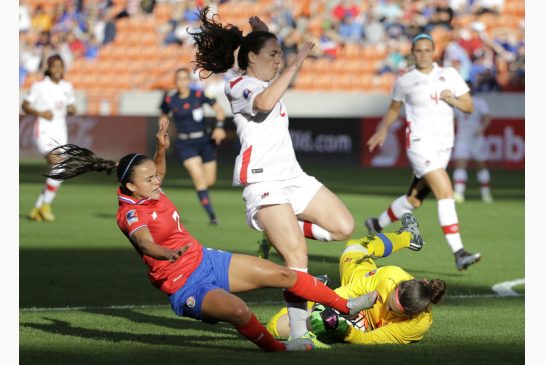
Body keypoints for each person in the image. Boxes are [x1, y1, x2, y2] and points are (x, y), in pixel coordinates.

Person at [43, 120, 380, 352]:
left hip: (207, 260)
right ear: (131, 186)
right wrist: (164, 253)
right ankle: (280, 348)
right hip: (184, 284)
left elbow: (158, 171)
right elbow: (145, 241)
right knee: (238, 312)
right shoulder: (130, 212)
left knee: (285, 274)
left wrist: (161, 148)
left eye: (154, 177)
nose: (157, 181)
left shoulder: (149, 190)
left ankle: (346, 306)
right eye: (148, 180)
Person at [188, 7, 359, 342]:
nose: (279, 60)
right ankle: (298, 336)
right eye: (272, 54)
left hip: (293, 177)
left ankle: (281, 228)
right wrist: (296, 61)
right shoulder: (238, 85)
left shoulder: (263, 77)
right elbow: (264, 102)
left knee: (343, 227)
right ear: (251, 57)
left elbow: (269, 81)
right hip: (264, 181)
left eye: (280, 55)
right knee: (297, 257)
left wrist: (269, 40)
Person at [365, 33, 481, 272]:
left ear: (434, 52)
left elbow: (469, 106)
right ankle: (459, 252)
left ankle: (377, 223)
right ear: (412, 53)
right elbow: (393, 108)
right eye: (418, 51)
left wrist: (452, 100)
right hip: (419, 145)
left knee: (414, 200)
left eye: (427, 50)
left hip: (444, 147)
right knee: (446, 192)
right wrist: (383, 130)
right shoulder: (405, 81)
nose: (423, 54)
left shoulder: (449, 75)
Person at [266, 213, 447, 345]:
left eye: (392, 309)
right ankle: (408, 236)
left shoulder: (417, 325)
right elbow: (349, 291)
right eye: (387, 299)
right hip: (355, 295)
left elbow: (371, 339)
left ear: (409, 315)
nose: (386, 306)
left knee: (274, 327)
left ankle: (314, 292)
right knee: (354, 248)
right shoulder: (391, 277)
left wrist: (344, 331)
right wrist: (323, 303)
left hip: (358, 326)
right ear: (398, 286)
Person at [159, 67, 226, 225]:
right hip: (185, 143)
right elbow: (163, 115)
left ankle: (206, 203)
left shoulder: (199, 95)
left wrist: (219, 127)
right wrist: (162, 132)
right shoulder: (170, 99)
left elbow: (219, 110)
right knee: (198, 178)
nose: (181, 82)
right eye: (178, 79)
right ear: (175, 82)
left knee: (208, 181)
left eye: (184, 79)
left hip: (205, 141)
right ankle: (212, 217)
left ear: (189, 81)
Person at [22, 54, 76, 222]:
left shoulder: (67, 86)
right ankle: (45, 206)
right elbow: (25, 105)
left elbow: (70, 105)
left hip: (61, 129)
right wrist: (40, 113)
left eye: (61, 66)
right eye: (55, 66)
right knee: (57, 163)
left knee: (60, 169)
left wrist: (73, 108)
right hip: (44, 128)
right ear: (49, 68)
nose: (58, 69)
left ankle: (39, 207)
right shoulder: (40, 86)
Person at [452, 82, 493, 203]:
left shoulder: (479, 102)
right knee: (460, 164)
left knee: (481, 165)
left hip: (476, 139)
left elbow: (487, 117)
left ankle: (485, 194)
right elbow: (453, 120)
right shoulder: (457, 103)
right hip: (462, 138)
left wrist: (481, 128)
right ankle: (459, 193)